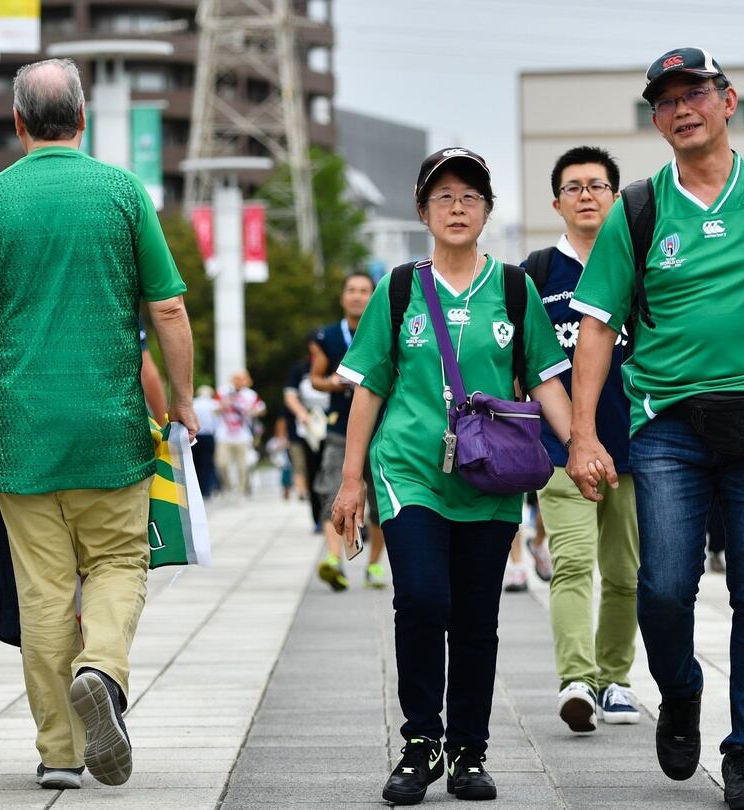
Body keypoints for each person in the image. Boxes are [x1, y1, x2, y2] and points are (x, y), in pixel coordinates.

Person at [565, 48, 744, 810]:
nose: (681, 107)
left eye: (696, 92)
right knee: (663, 588)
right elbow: (594, 328)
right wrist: (584, 435)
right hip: (667, 426)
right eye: (665, 100)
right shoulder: (637, 209)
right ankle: (681, 690)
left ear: (730, 101)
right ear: (656, 120)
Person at [0, 58, 195, 790]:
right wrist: (183, 401)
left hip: (18, 430)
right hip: (109, 423)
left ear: (17, 122)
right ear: (84, 118)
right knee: (117, 564)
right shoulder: (121, 192)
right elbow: (168, 306)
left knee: (44, 591)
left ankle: (58, 752)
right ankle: (102, 671)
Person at [330, 147, 573, 805]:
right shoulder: (400, 289)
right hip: (409, 470)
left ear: (487, 210)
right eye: (444, 197)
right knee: (423, 600)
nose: (458, 207)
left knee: (474, 616)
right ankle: (419, 742)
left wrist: (582, 443)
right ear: (423, 209)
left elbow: (548, 378)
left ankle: (469, 749)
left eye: (470, 197)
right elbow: (369, 388)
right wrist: (351, 482)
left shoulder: (515, 289)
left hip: (489, 478)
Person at [527, 145, 642, 733]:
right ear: (557, 202)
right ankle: (577, 679)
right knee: (573, 563)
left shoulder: (636, 266)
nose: (587, 195)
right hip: (560, 450)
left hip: (638, 450)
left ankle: (615, 680)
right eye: (573, 187)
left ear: (616, 198)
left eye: (597, 186)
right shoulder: (538, 273)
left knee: (625, 574)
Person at [311, 272, 389, 590]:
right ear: (343, 297)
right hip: (339, 427)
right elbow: (315, 377)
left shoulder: (385, 331)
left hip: (380, 429)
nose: (357, 296)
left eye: (364, 291)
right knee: (333, 492)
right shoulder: (326, 336)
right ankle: (334, 560)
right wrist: (333, 382)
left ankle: (373, 565)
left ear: (374, 296)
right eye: (352, 290)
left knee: (381, 502)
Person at [283, 353, 328, 531]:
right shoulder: (299, 369)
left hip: (334, 427)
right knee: (312, 472)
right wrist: (302, 414)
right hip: (308, 430)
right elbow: (290, 396)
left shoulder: (337, 362)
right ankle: (318, 517)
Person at [215, 370, 264, 497]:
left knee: (243, 466)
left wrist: (253, 410)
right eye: (237, 378)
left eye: (242, 379)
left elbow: (261, 408)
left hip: (243, 435)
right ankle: (229, 487)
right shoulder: (223, 392)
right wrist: (223, 405)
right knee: (221, 463)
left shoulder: (251, 394)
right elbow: (214, 408)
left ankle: (242, 491)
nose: (239, 381)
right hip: (224, 434)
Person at [192, 385, 220, 498]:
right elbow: (216, 423)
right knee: (207, 463)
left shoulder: (193, 403)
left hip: (195, 435)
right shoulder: (213, 404)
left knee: (196, 463)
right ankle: (207, 489)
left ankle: (198, 488)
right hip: (208, 436)